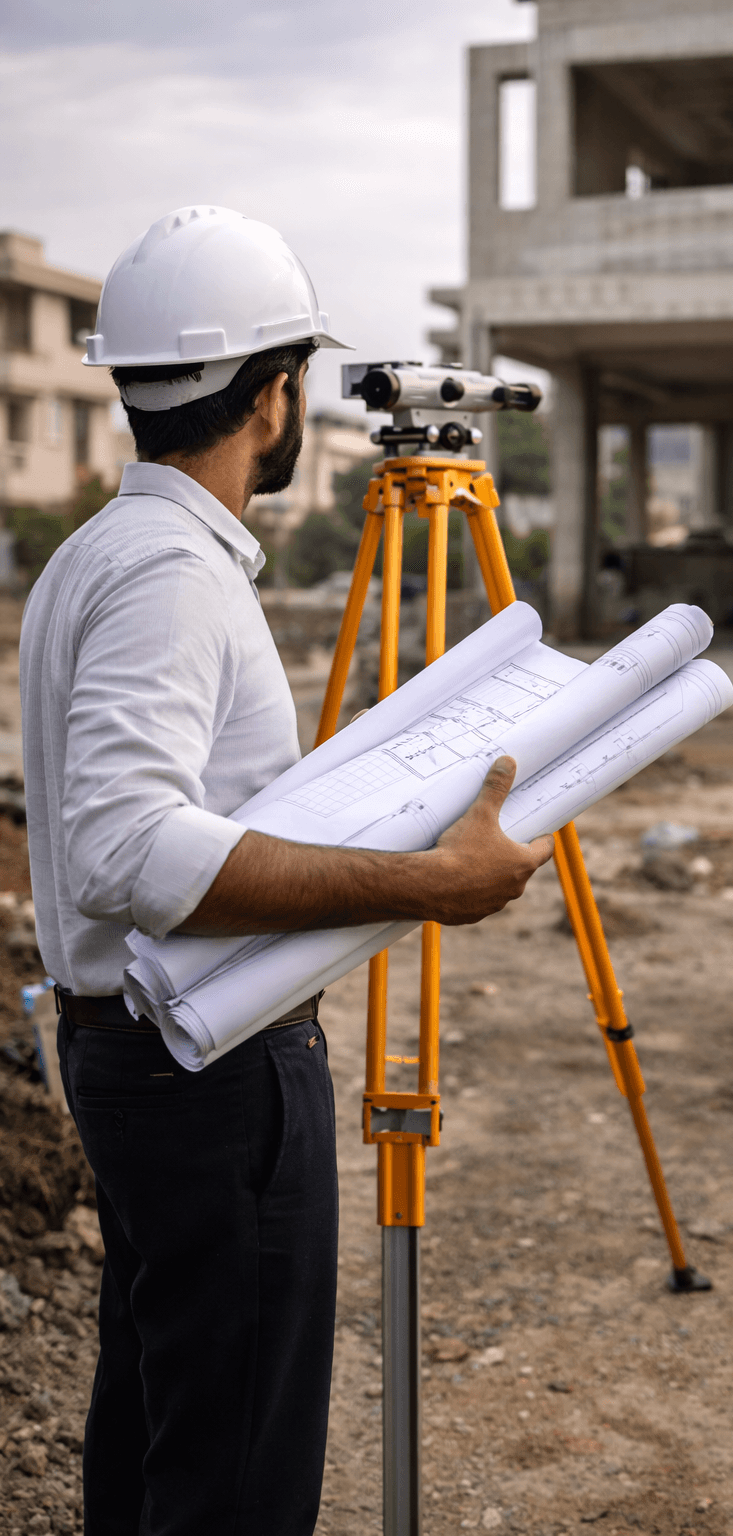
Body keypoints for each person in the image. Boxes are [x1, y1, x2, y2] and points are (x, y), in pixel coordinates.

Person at [20, 206, 553, 1536]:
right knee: (231, 1474)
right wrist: (424, 883)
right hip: (205, 1073)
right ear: (274, 394)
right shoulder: (169, 574)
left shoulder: (103, 552)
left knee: (163, 1426)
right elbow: (127, 850)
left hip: (140, 1056)